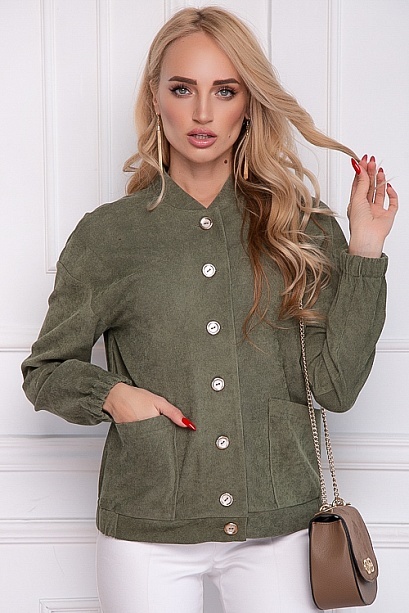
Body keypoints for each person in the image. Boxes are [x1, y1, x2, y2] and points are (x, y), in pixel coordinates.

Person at [21, 6, 398, 613]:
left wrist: (366, 248)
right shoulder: (109, 236)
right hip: (148, 525)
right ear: (155, 97)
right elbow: (45, 371)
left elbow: (337, 387)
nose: (202, 113)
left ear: (248, 103)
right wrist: (115, 395)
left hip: (278, 524)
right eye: (182, 89)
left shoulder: (302, 229)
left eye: (224, 91)